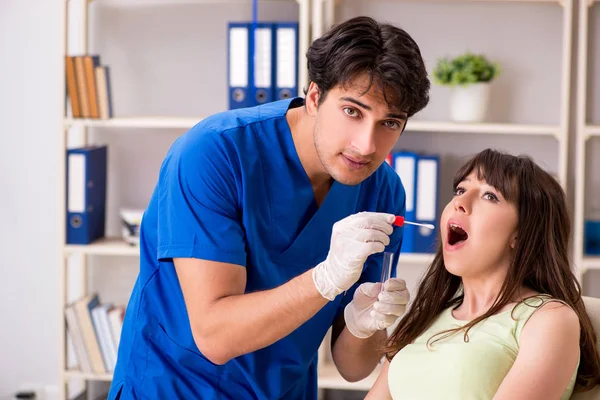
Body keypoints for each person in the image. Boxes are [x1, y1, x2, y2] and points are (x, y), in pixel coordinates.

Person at [107, 16, 430, 400]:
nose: (366, 145)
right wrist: (325, 279)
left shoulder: (382, 191)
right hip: (175, 389)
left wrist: (364, 326)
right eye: (352, 111)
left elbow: (352, 366)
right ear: (314, 97)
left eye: (390, 122)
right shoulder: (214, 154)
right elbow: (215, 335)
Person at [366, 148, 600, 400]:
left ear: (521, 234)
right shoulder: (423, 318)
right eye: (460, 190)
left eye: (490, 196)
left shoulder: (550, 320)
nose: (460, 203)